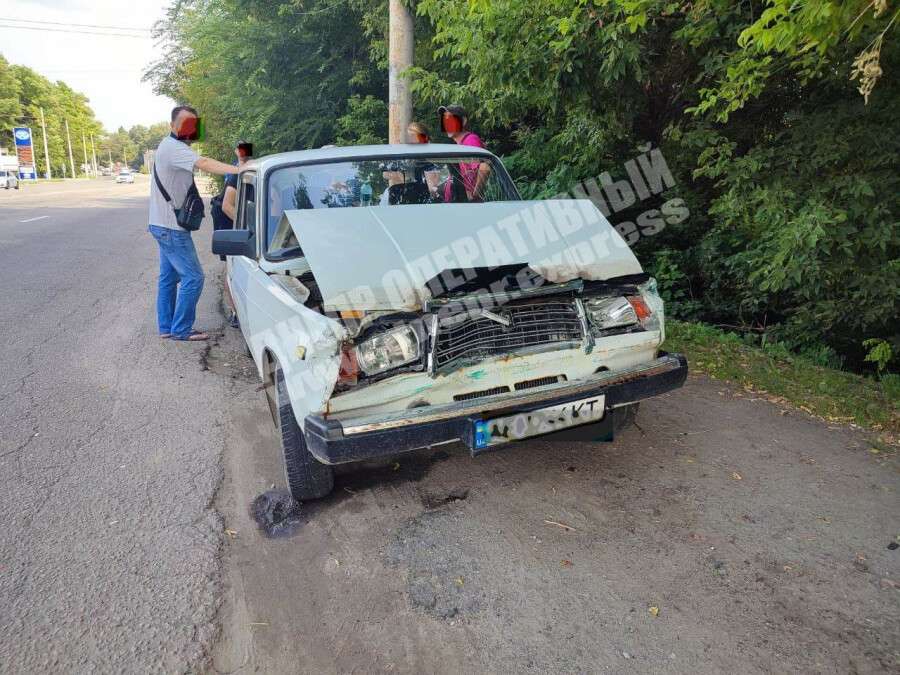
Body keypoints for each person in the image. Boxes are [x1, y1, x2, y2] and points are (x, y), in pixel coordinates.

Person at [148, 105, 239, 342]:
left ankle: (167, 326)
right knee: (194, 277)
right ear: (172, 126)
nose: (189, 129)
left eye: (193, 125)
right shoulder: (174, 148)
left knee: (169, 278)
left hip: (161, 224)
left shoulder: (169, 146)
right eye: (185, 124)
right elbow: (206, 163)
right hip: (171, 228)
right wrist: (239, 169)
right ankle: (182, 329)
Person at [438, 104, 492, 201]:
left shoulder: (470, 141)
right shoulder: (461, 145)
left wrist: (475, 195)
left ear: (463, 121)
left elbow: (485, 168)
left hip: (471, 205)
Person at [221, 141, 253, 222]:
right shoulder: (236, 173)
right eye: (241, 148)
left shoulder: (253, 167)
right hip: (229, 220)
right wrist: (247, 223)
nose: (243, 151)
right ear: (236, 151)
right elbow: (226, 206)